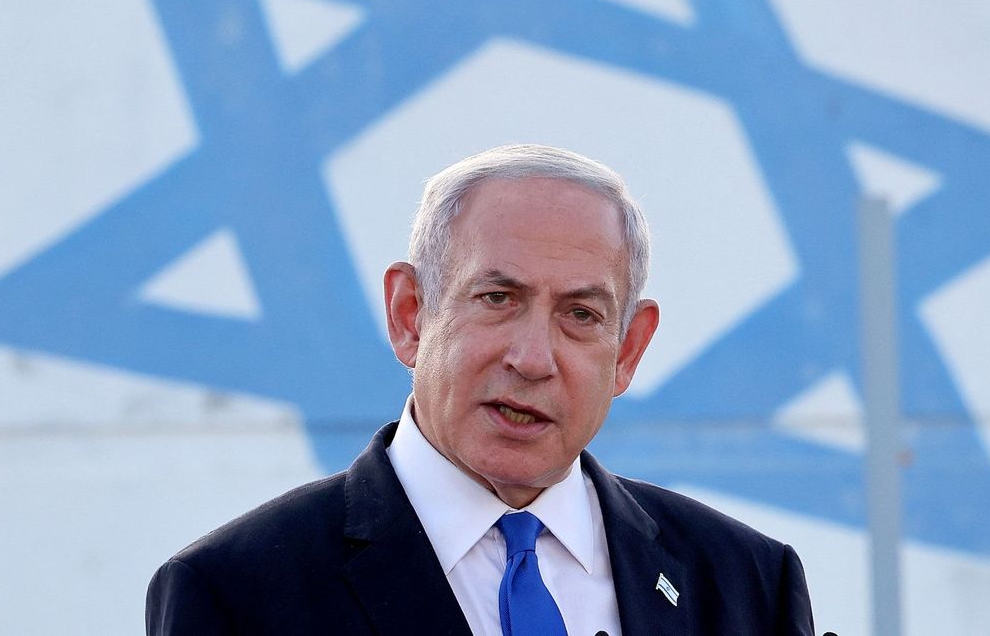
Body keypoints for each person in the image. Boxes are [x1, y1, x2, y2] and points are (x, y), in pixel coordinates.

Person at [146, 144, 815, 635]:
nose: (532, 359)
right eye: (496, 298)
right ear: (411, 314)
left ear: (628, 350)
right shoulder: (237, 593)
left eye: (581, 315)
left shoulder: (746, 585)